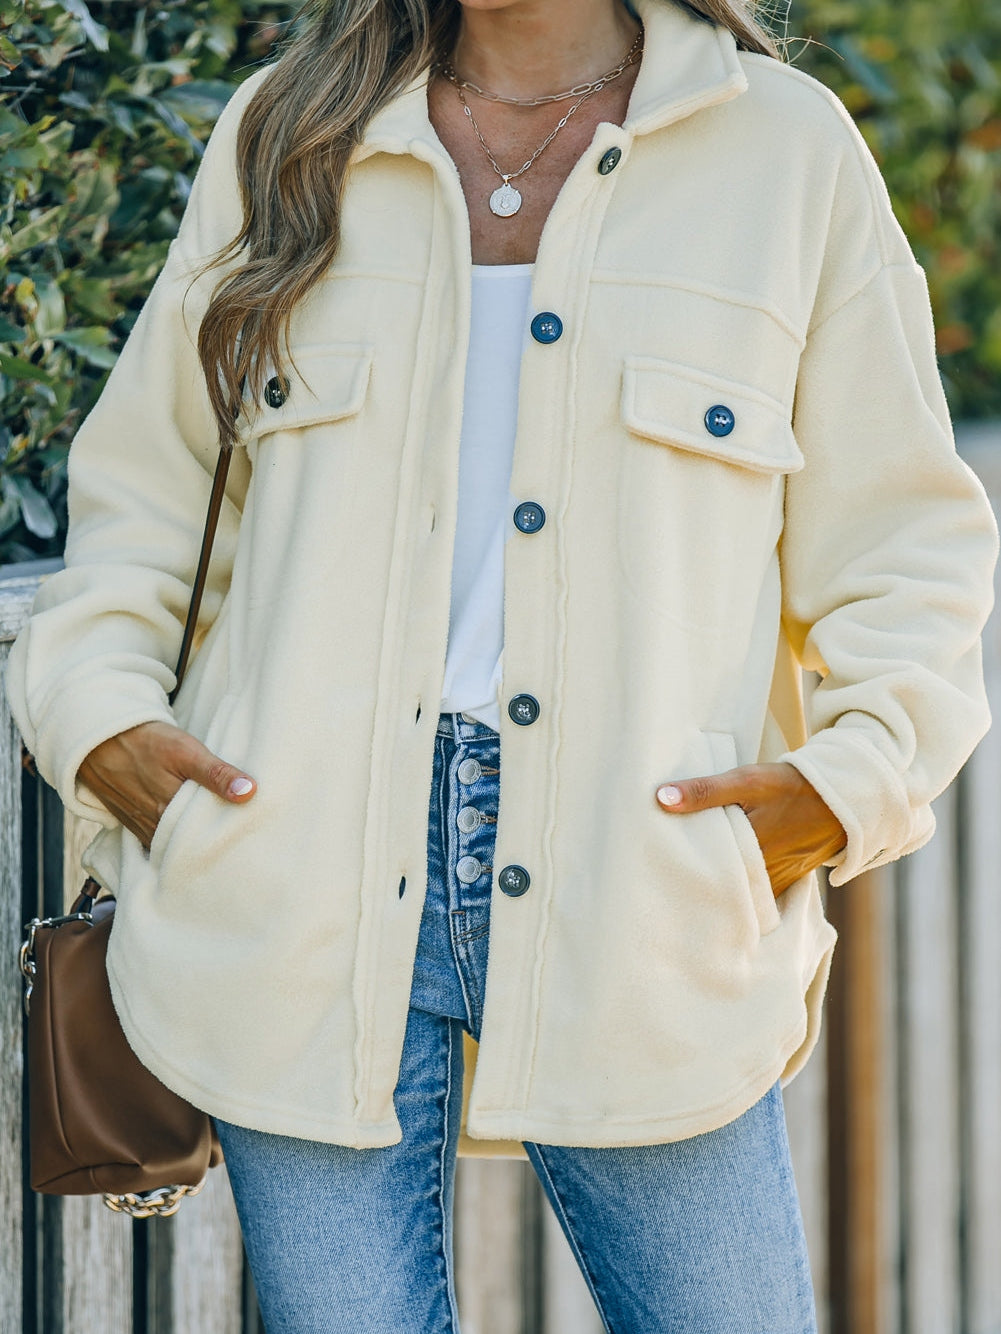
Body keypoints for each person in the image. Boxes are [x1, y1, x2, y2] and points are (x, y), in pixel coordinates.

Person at [7, 0, 997, 1328]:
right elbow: (145, 497)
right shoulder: (285, 134)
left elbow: (902, 547)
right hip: (294, 872)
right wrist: (103, 723)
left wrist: (846, 785)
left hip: (645, 880)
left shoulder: (784, 153)